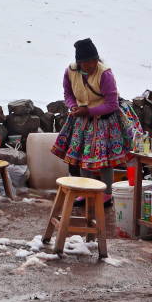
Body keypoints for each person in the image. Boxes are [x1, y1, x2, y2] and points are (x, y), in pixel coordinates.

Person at [51, 38, 140, 202]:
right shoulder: (70, 71)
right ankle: (86, 191)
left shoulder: (105, 74)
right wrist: (73, 106)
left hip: (105, 120)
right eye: (86, 62)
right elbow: (68, 93)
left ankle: (107, 193)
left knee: (104, 158)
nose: (90, 65)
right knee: (83, 157)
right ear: (79, 63)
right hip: (82, 118)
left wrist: (88, 111)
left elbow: (112, 104)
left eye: (93, 61)